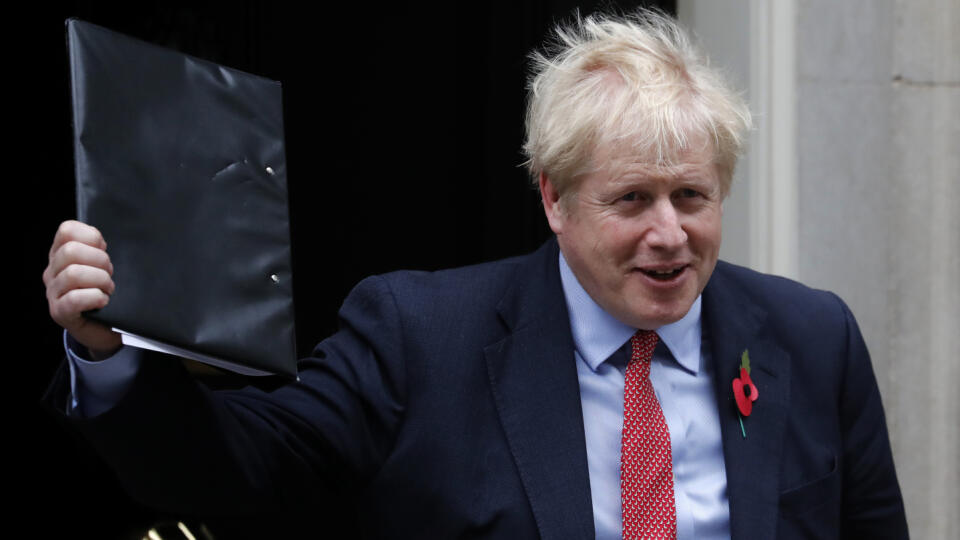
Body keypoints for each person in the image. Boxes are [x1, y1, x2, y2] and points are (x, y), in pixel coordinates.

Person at [43, 10, 908, 539]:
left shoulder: (810, 337)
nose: (669, 234)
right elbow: (241, 470)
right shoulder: (421, 335)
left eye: (692, 195)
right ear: (555, 199)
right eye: (633, 199)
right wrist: (111, 350)